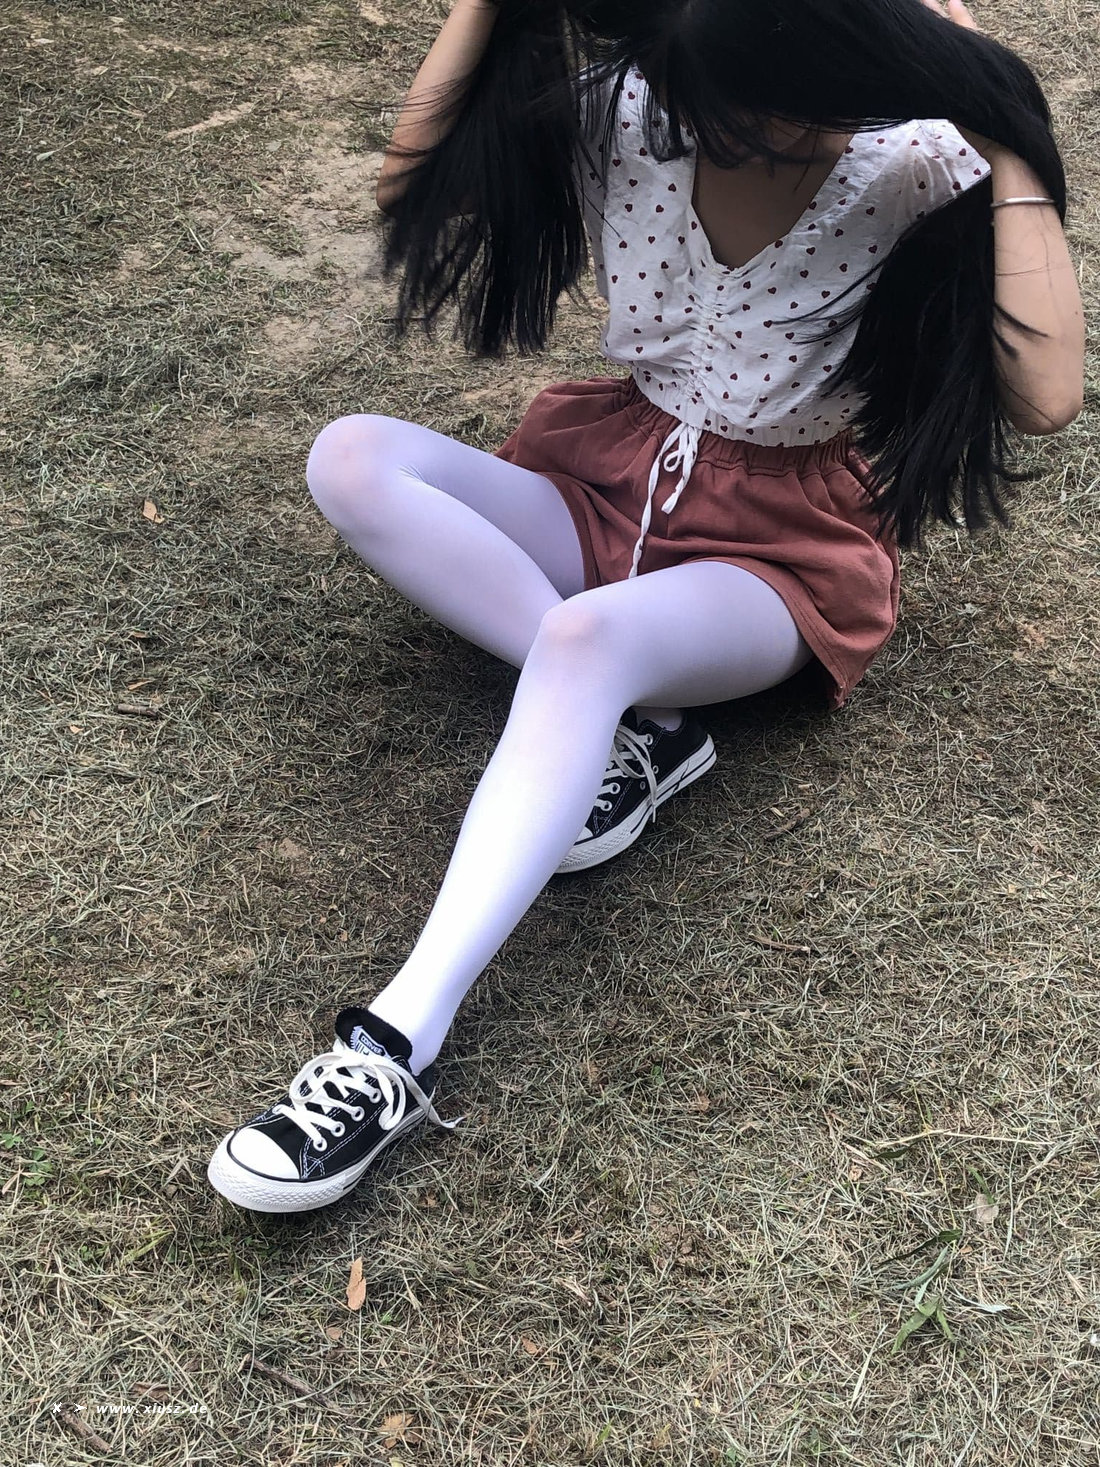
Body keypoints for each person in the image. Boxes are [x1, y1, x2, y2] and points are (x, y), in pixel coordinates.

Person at [207, 0, 1083, 1213]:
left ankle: (394, 1043)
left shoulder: (913, 163)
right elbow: (409, 181)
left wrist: (999, 122)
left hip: (774, 556)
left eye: (795, 109)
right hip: (604, 486)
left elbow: (1044, 396)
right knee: (350, 458)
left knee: (584, 638)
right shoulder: (631, 107)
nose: (751, 134)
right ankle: (634, 725)